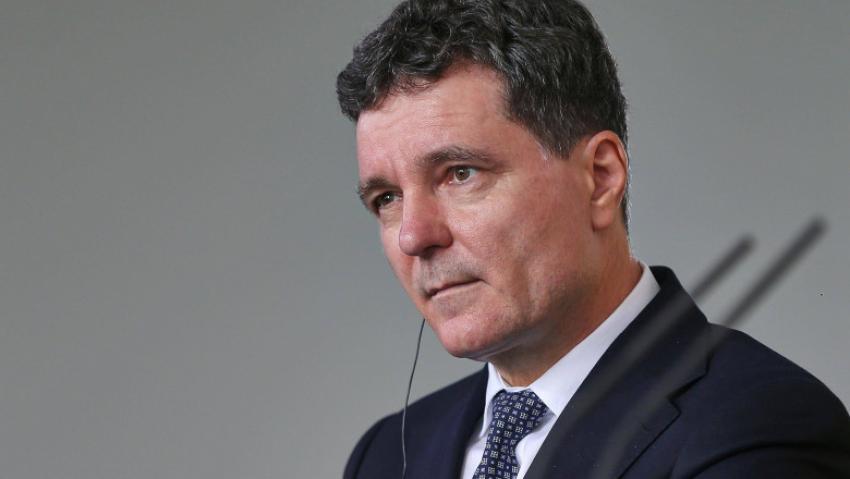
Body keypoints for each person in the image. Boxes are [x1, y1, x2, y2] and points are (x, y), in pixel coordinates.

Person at [335, 0, 850, 477]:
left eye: (460, 173)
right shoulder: (382, 457)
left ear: (600, 177)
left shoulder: (759, 426)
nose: (413, 236)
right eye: (386, 198)